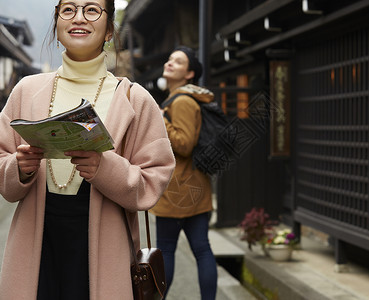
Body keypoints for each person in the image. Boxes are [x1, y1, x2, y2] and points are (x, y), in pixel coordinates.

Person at [0, 0, 175, 299]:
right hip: (38, 236)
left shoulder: (135, 99)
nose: (78, 17)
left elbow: (155, 178)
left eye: (92, 9)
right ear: (57, 26)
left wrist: (106, 169)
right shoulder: (26, 90)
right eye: (68, 10)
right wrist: (19, 167)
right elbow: (2, 157)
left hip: (106, 241)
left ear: (109, 30)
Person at [150, 46, 218, 299]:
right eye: (169, 59)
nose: (170, 63)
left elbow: (184, 144)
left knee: (170, 249)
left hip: (179, 188)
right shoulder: (178, 99)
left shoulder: (182, 102)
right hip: (192, 185)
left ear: (189, 74)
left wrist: (160, 118)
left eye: (178, 62)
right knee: (201, 249)